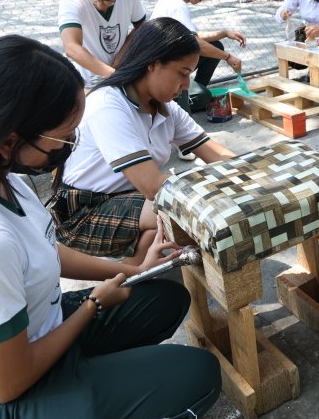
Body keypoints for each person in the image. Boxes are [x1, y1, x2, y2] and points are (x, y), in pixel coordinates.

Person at [0, 34, 220, 419]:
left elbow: (47, 249)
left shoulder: (0, 176)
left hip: (32, 333)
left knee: (163, 298)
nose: (70, 148)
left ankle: (75, 388)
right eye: (65, 139)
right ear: (10, 139)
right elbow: (8, 383)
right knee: (198, 376)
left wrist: (135, 271)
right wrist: (91, 307)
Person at [50, 17, 237, 261]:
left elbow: (218, 155)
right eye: (182, 73)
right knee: (175, 210)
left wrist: (253, 174)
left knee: (178, 208)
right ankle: (126, 283)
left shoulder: (166, 109)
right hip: (83, 211)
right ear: (153, 64)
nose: (185, 85)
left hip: (128, 199)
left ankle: (138, 272)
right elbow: (153, 185)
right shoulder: (109, 104)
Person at [153, 0, 247, 112]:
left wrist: (224, 33)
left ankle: (190, 91)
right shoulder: (177, 6)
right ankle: (178, 102)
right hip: (164, 73)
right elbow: (196, 43)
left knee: (216, 46)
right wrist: (228, 57)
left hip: (171, 62)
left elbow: (194, 37)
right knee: (204, 97)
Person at [59, 0, 148, 86]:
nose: (100, 5)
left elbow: (141, 26)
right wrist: (113, 75)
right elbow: (71, 47)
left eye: (109, 0)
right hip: (90, 79)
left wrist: (119, 61)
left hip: (121, 69)